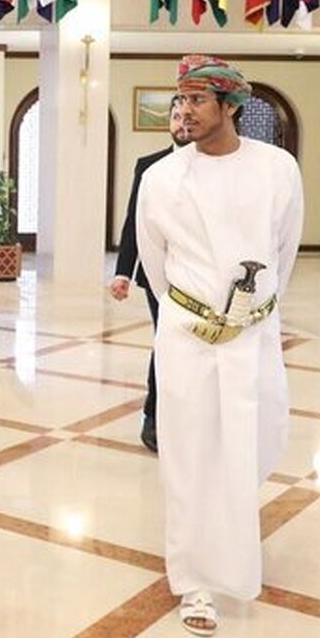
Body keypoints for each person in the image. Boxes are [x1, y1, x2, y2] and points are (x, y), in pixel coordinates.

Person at [136, 55, 303, 638]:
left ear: (230, 106)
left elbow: (285, 251)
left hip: (253, 335)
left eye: (197, 100)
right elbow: (154, 264)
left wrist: (248, 316)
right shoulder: (163, 177)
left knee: (251, 444)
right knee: (189, 454)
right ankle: (195, 580)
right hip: (187, 336)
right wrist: (199, 314)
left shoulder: (277, 168)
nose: (183, 110)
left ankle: (230, 547)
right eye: (180, 100)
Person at [109, 97, 186, 453]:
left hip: (204, 276)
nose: (181, 124)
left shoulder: (216, 166)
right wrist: (123, 272)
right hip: (159, 275)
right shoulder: (150, 166)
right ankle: (153, 416)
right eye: (175, 116)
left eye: (187, 116)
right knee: (167, 341)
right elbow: (134, 222)